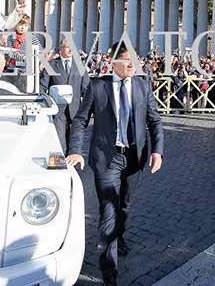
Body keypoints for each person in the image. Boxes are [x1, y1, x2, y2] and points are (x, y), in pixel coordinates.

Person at [66, 41, 164, 286]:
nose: (133, 64)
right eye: (128, 59)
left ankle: (120, 235)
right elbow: (80, 120)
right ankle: (110, 277)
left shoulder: (142, 86)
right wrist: (75, 150)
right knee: (108, 210)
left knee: (124, 206)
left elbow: (155, 121)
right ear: (114, 62)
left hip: (133, 157)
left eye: (135, 59)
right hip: (106, 159)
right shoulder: (98, 86)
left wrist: (157, 151)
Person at [40, 38, 90, 153]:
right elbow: (42, 86)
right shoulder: (51, 65)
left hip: (75, 110)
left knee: (74, 144)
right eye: (67, 47)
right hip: (58, 111)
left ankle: (72, 162)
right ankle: (61, 162)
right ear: (61, 49)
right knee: (60, 143)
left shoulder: (80, 65)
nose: (70, 50)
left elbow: (87, 89)